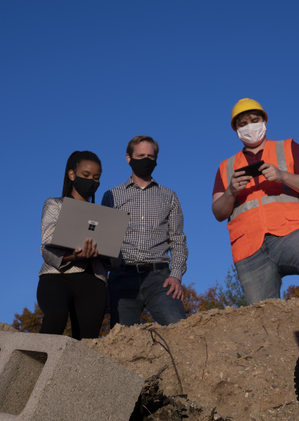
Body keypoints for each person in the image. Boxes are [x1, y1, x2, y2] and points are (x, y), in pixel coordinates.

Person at [212, 98, 299, 305]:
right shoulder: (225, 167)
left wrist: (283, 176)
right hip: (249, 248)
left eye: (254, 120)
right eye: (243, 124)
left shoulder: (289, 147)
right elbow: (218, 212)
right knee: (263, 318)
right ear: (235, 129)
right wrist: (230, 192)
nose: (250, 127)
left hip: (291, 233)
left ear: (264, 121)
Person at [101, 135, 188, 326]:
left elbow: (178, 240)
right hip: (122, 277)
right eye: (141, 155)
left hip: (160, 278)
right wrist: (105, 281)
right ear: (128, 157)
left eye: (151, 156)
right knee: (123, 339)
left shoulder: (169, 196)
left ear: (156, 159)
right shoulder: (111, 196)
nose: (146, 160)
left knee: (178, 329)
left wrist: (176, 275)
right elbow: (105, 242)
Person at [37, 150, 108, 340]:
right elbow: (46, 246)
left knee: (88, 340)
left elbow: (115, 259)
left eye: (96, 177)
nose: (91, 181)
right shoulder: (54, 204)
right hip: (57, 278)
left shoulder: (105, 216)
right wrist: (76, 255)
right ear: (72, 174)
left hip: (93, 281)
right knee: (55, 318)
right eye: (86, 175)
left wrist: (103, 252)